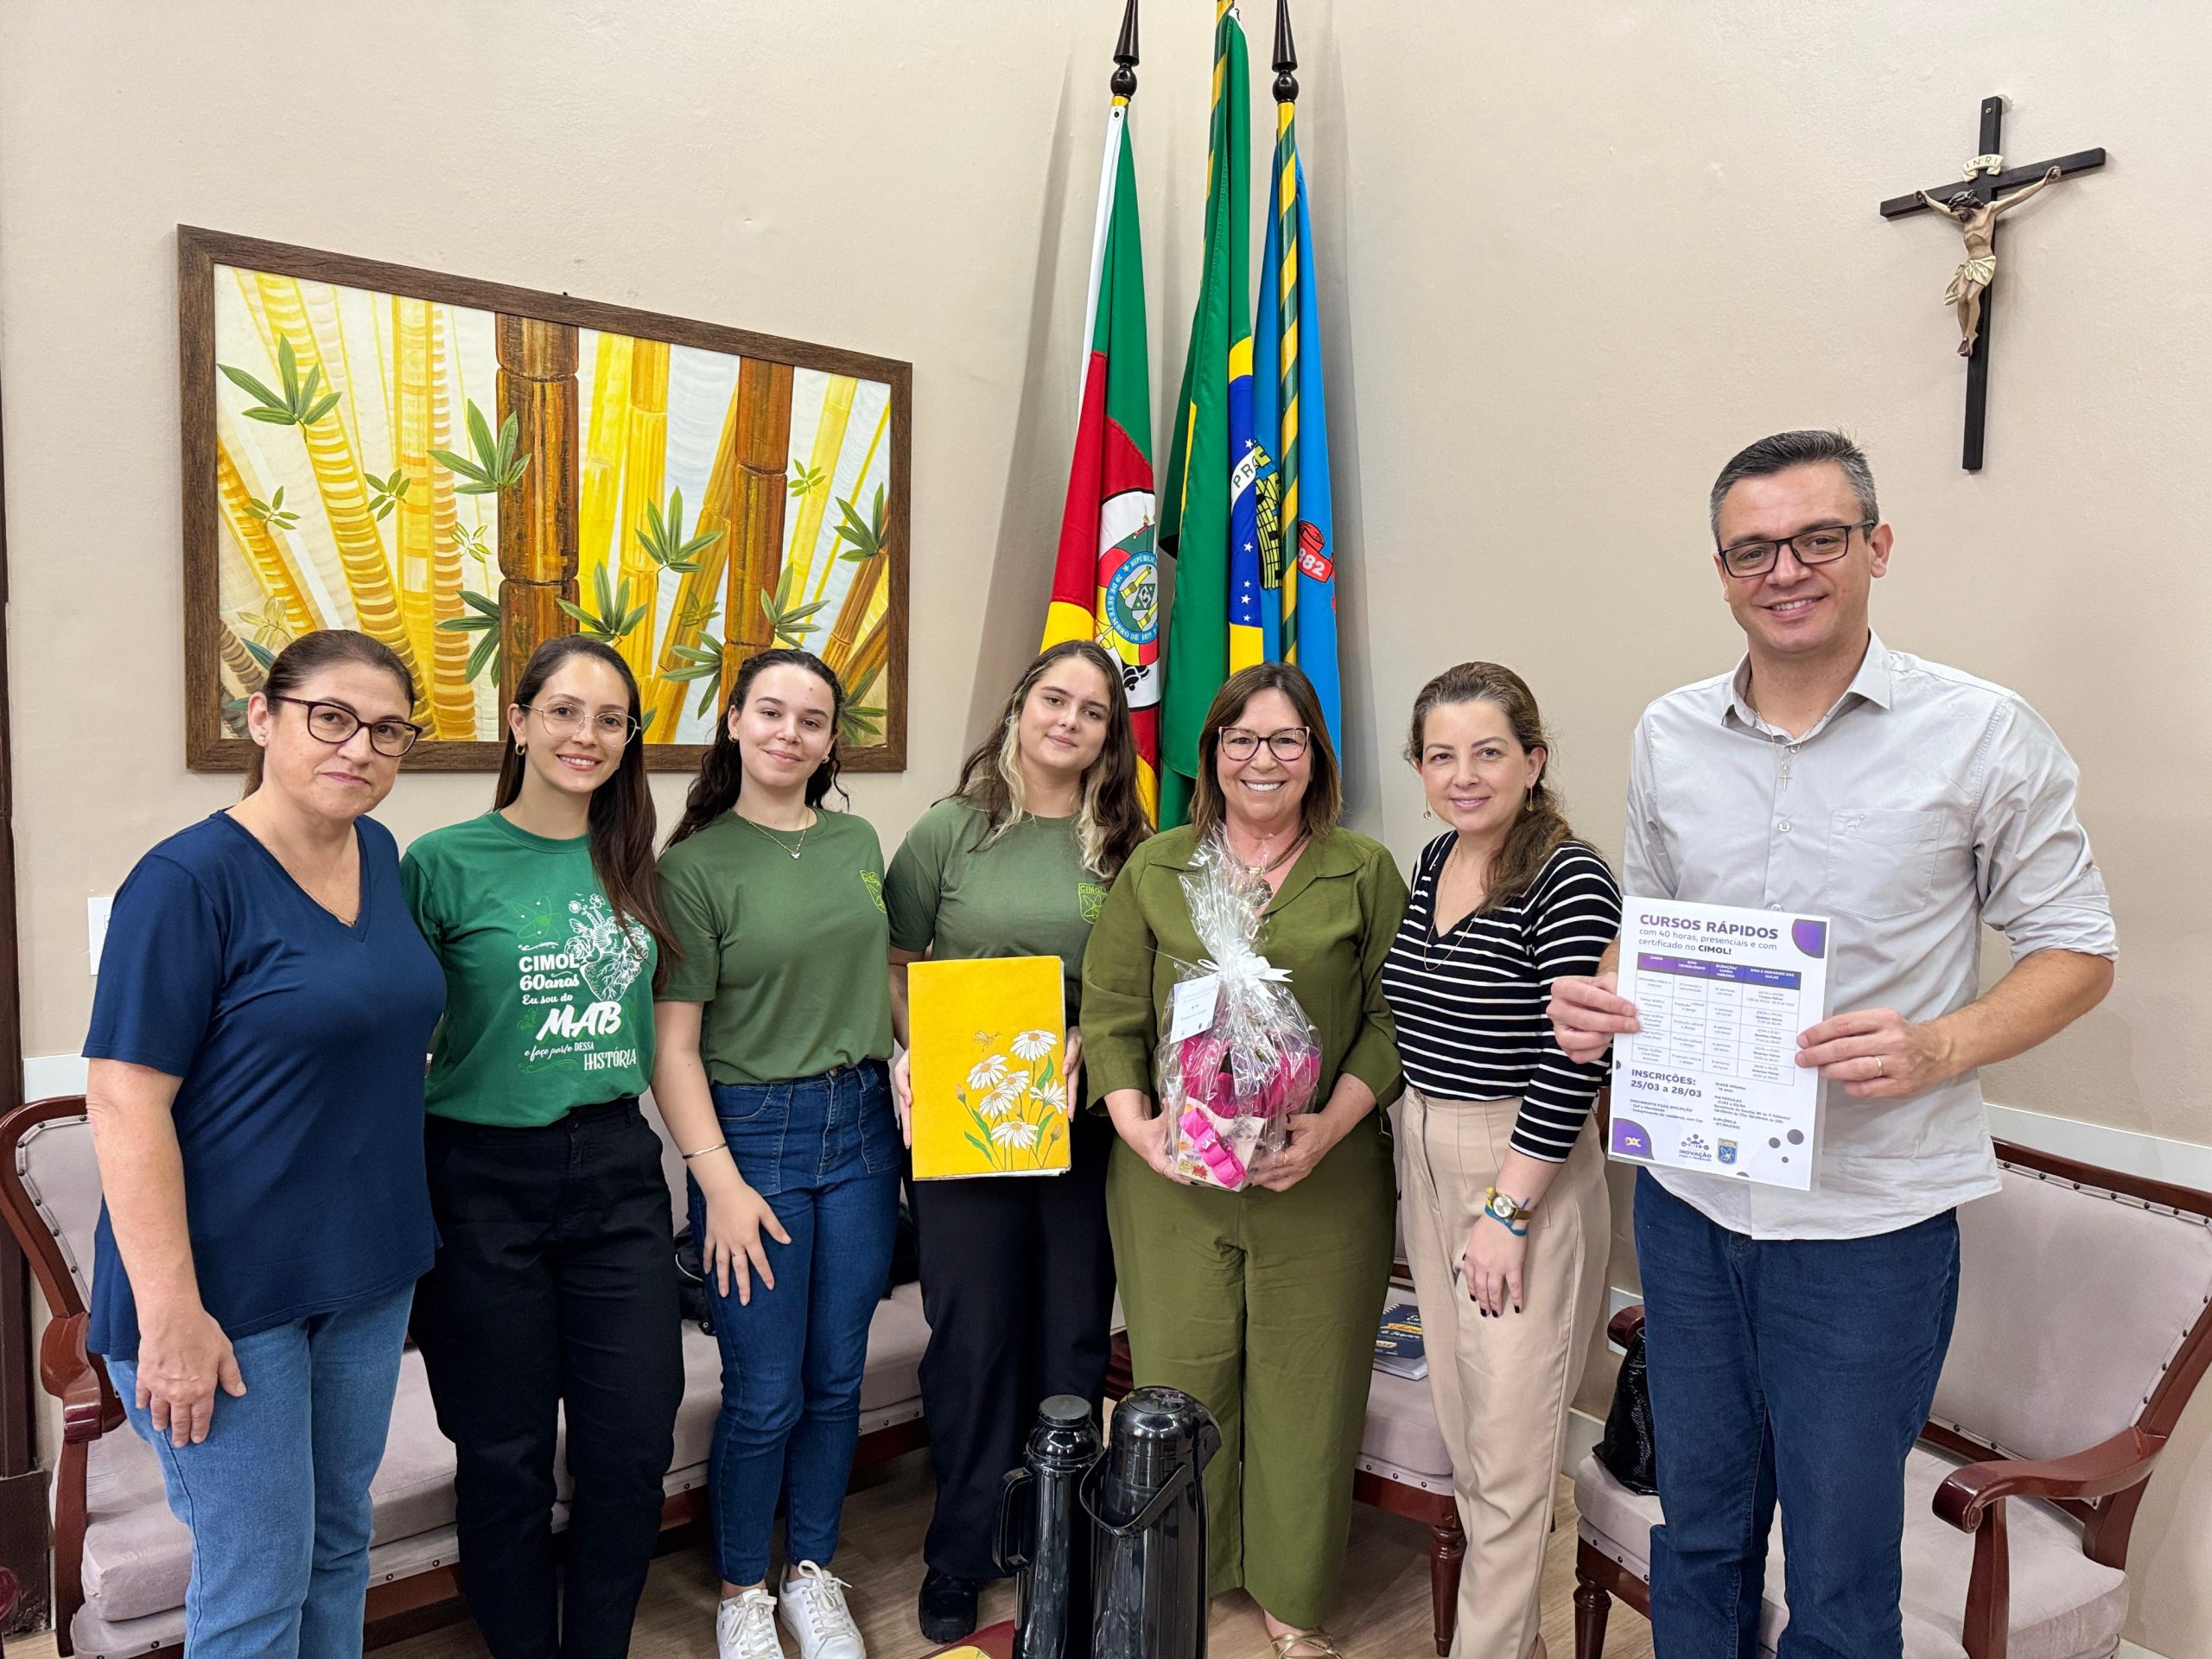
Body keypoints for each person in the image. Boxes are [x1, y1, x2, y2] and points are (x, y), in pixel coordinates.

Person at [1549, 429, 2116, 1659]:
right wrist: (1598, 997)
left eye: (1819, 538)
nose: (1787, 569)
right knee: (1692, 1530)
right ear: (1722, 569)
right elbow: (1647, 936)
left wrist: (1940, 1045)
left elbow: (2079, 951)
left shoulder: (1982, 733)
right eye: (1755, 547)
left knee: (1841, 1575)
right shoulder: (1670, 734)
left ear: (1877, 546)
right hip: (1692, 1208)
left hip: (1868, 1226)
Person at [81, 629, 444, 1659]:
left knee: (337, 1545)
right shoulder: (187, 880)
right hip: (223, 1297)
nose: (359, 748)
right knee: (254, 1579)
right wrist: (171, 1317)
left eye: (387, 731)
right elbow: (122, 1102)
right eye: (331, 717)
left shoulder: (379, 854)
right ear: (264, 718)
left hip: (366, 1271)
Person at [1083, 662, 1408, 1659]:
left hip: (1322, 1178)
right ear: (1209, 755)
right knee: (1181, 1377)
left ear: (1316, 757)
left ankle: (1288, 1593)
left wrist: (1330, 1126)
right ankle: (1189, 1565)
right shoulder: (1156, 868)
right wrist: (1141, 1130)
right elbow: (1112, 1014)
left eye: (1285, 740)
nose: (1261, 759)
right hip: (1172, 1180)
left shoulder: (1363, 869)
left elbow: (1397, 1021)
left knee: (1310, 1388)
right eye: (1240, 739)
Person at [402, 637, 683, 1659]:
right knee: (504, 1452)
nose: (587, 736)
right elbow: (395, 1036)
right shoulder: (438, 864)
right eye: (564, 711)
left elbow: (671, 1035)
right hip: (479, 1180)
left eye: (611, 719)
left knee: (630, 1447)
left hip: (615, 1172)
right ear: (517, 722)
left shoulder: (639, 867)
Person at [883, 640, 1150, 1643]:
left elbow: (1143, 978)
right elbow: (898, 958)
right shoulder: (951, 832)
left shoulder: (1125, 841)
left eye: (1092, 710)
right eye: (1054, 699)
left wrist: (1092, 1034)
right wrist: (916, 1050)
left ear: (1108, 736)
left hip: (1080, 1122)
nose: (1068, 721)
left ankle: (1057, 1543)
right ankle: (958, 1551)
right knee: (973, 1339)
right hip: (963, 1121)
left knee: (1073, 1332)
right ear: (1018, 708)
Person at [652, 648, 897, 1659]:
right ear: (734, 724)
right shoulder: (691, 868)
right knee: (766, 1390)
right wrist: (719, 1184)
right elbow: (671, 1047)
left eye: (812, 721)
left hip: (865, 1130)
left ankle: (811, 1573)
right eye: (771, 714)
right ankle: (742, 1590)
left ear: (832, 741)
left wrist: (919, 1057)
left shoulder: (857, 839)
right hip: (754, 1139)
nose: (790, 734)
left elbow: (880, 976)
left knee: (840, 1377)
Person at [1377, 663, 1621, 1659]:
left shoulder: (1568, 875)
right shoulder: (1437, 859)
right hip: (1422, 1149)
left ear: (1534, 760)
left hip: (1518, 1163)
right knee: (1469, 1435)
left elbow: (1577, 1057)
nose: (1463, 774)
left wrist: (1508, 1213)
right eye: (1441, 755)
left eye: (1488, 752)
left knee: (1513, 1460)